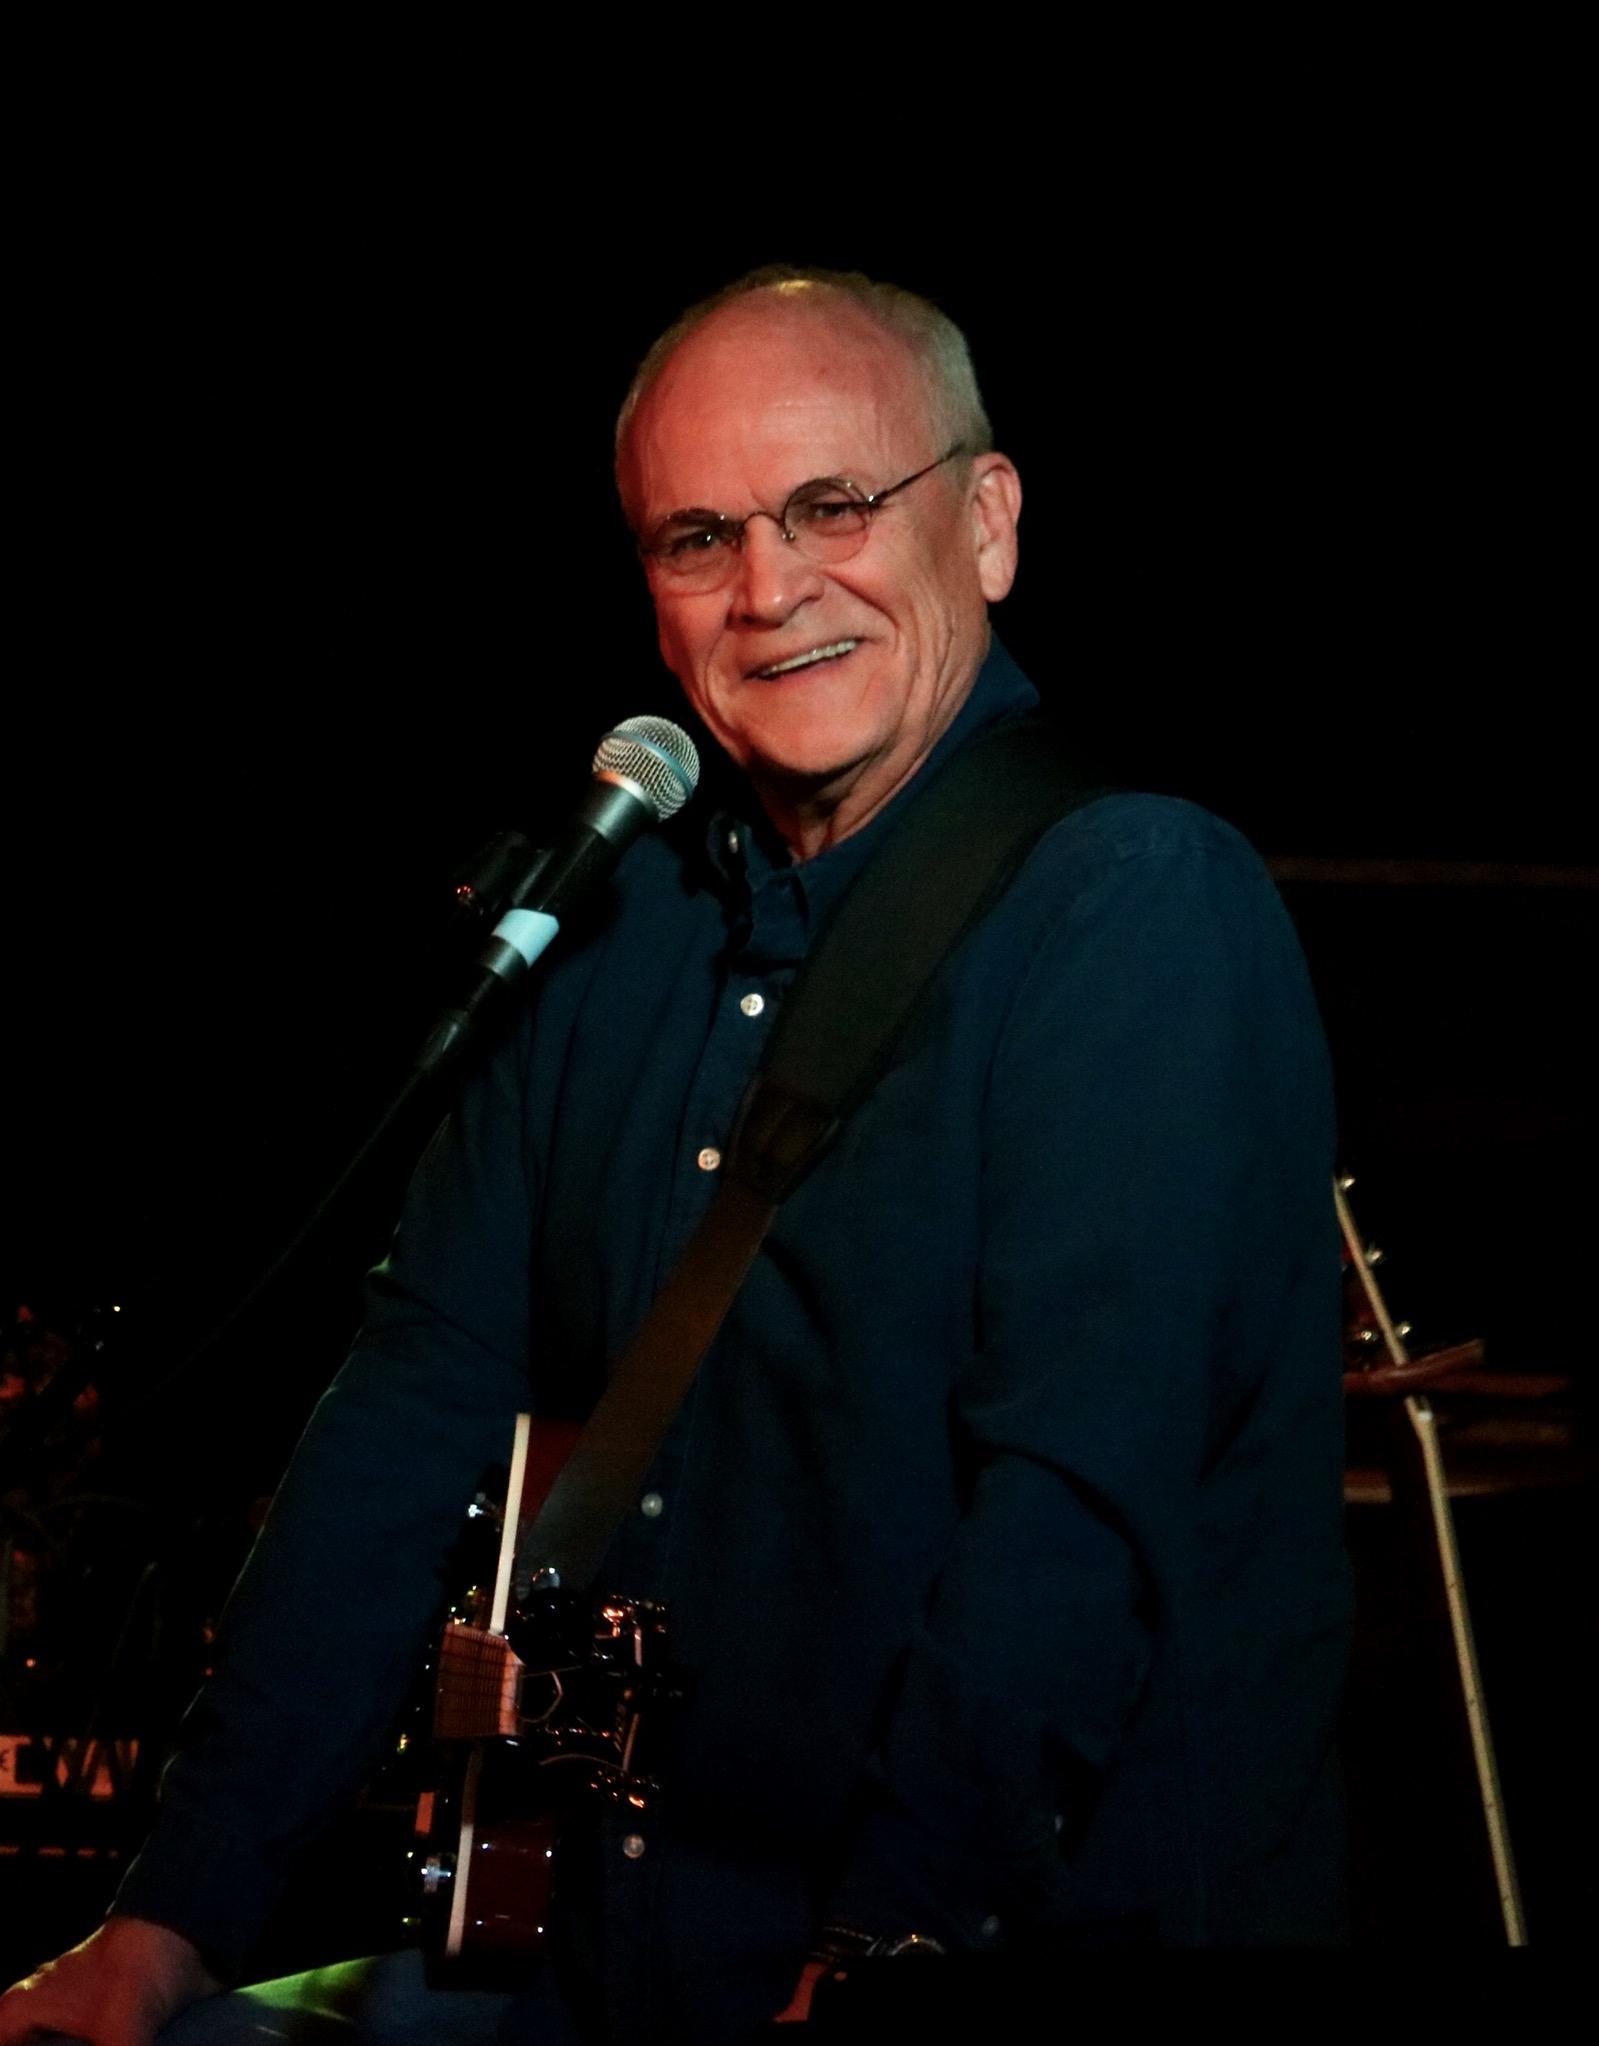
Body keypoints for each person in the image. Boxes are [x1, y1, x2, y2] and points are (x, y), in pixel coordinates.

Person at [0, 266, 1350, 2045]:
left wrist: (883, 1948)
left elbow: (1071, 1516)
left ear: (988, 521)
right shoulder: (619, 926)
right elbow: (415, 1402)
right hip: (600, 1952)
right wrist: (171, 1914)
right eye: (700, 537)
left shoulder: (1131, 904)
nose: (771, 588)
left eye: (832, 505)